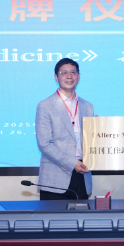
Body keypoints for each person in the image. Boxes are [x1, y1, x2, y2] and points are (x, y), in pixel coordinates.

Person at [35, 58, 93, 200]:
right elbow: (44, 144)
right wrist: (72, 164)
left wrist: (97, 132)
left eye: (73, 72)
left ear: (79, 76)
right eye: (64, 73)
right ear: (56, 77)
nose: (69, 76)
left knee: (82, 215)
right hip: (54, 178)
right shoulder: (45, 105)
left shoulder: (87, 106)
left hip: (82, 175)